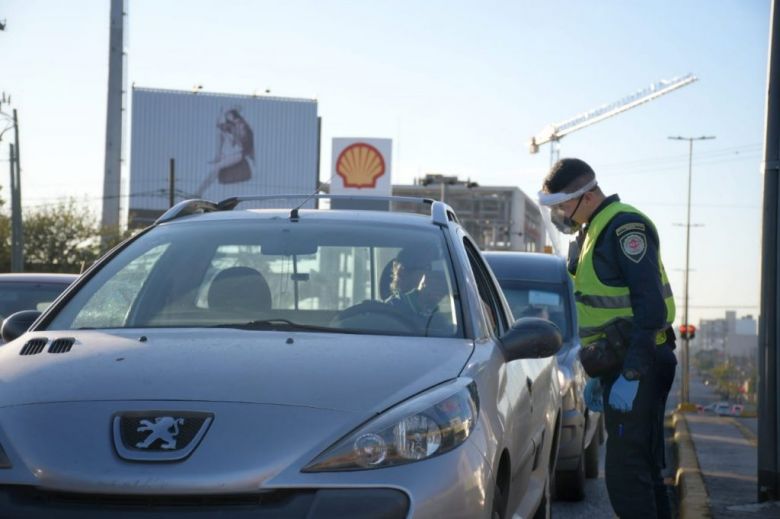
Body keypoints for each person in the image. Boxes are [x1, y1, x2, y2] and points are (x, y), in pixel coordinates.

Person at [538, 158, 677, 519]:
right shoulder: (592, 232)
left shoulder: (623, 228)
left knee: (626, 474)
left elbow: (651, 310)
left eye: (563, 205)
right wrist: (605, 377)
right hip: (621, 362)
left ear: (586, 196)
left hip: (640, 362)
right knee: (640, 469)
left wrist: (630, 376)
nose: (560, 214)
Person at [196, 108, 255, 197]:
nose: (230, 122)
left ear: (237, 118)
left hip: (238, 153)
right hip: (230, 153)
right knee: (219, 133)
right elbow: (219, 126)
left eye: (232, 119)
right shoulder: (231, 127)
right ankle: (199, 191)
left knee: (216, 168)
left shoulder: (242, 127)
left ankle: (199, 192)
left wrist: (231, 133)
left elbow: (237, 144)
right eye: (228, 119)